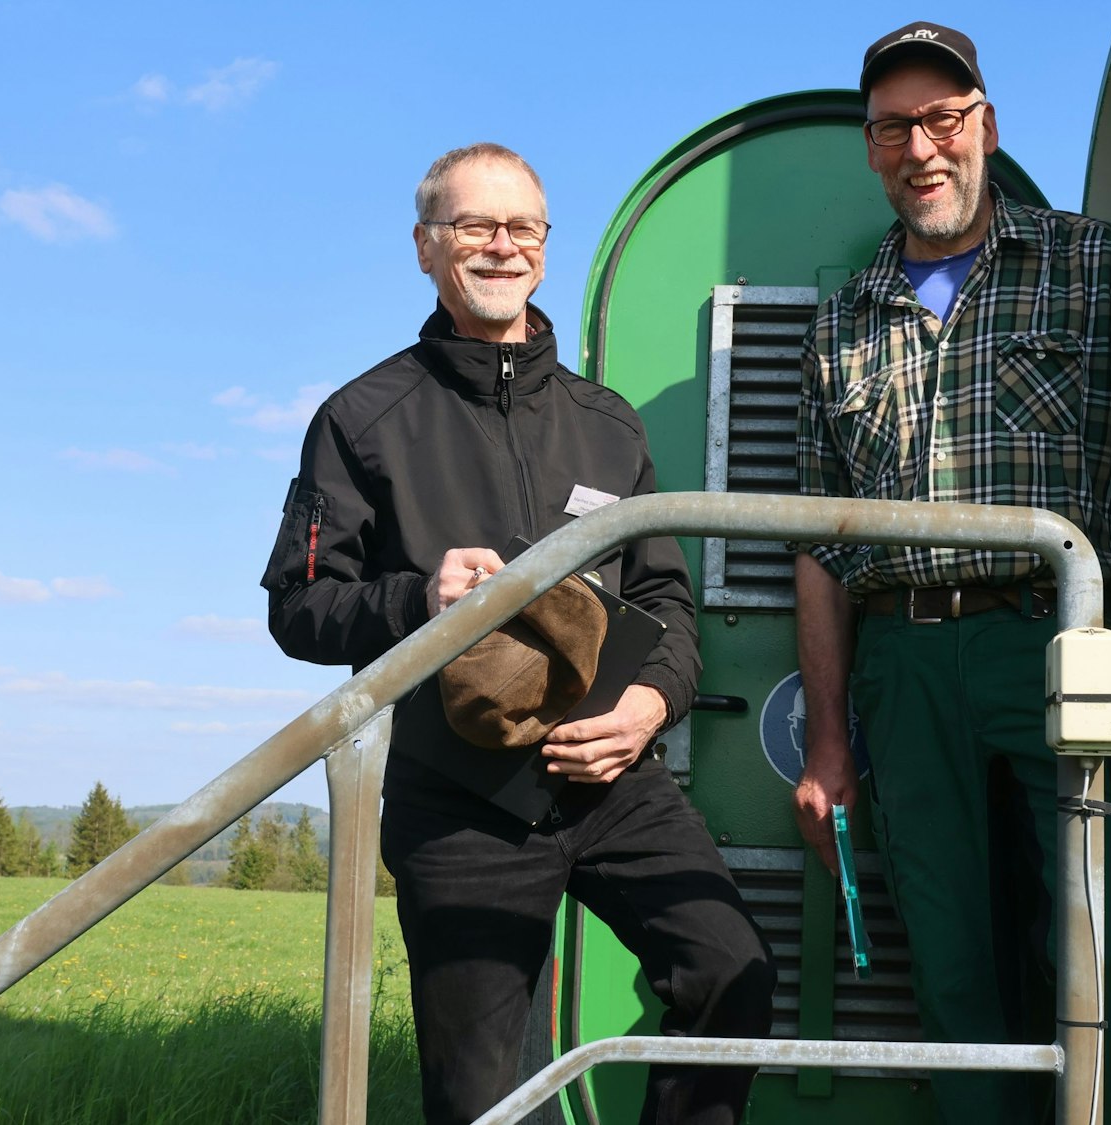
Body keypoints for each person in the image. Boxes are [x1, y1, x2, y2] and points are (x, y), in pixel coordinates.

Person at [263, 143, 774, 1125]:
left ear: (545, 246)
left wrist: (648, 704)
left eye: (522, 227)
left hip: (610, 777)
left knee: (730, 972)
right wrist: (418, 597)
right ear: (426, 246)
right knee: (483, 1096)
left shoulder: (606, 424)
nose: (501, 246)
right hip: (456, 797)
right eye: (473, 226)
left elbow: (666, 598)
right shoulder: (361, 419)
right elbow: (300, 605)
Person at [790, 24, 1111, 1125]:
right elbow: (816, 545)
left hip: (1056, 648)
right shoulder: (841, 325)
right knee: (949, 966)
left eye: (942, 118)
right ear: (872, 149)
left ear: (983, 124)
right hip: (901, 670)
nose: (919, 148)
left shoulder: (1094, 264)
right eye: (893, 128)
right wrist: (831, 739)